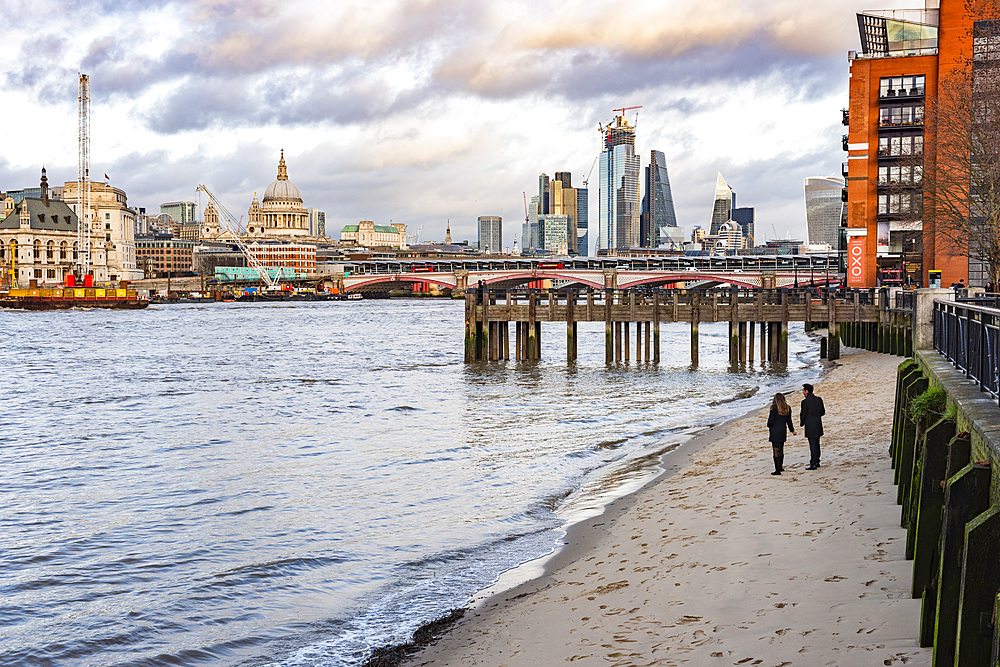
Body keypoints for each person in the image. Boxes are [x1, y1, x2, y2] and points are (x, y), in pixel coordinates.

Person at [766, 393, 796, 475]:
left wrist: (769, 426)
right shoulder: (787, 408)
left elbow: (770, 422)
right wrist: (792, 430)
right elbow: (789, 421)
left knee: (776, 450)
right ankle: (780, 466)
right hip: (782, 431)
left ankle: (777, 470)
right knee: (781, 449)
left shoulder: (774, 408)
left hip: (775, 431)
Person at [800, 383, 826, 470]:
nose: (802, 392)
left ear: (807, 391)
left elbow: (803, 414)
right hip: (818, 423)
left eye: (803, 390)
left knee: (813, 444)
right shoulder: (818, 399)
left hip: (810, 425)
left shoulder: (805, 402)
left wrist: (802, 423)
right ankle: (817, 461)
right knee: (817, 444)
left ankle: (813, 463)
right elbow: (822, 412)